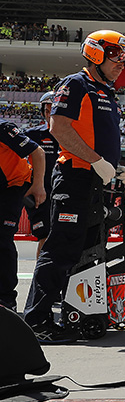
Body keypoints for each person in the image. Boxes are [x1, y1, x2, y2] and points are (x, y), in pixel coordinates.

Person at [23, 30, 125, 343]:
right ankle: (37, 321)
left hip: (95, 182)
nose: (121, 63)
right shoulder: (77, 83)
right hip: (75, 178)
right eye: (116, 56)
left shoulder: (107, 92)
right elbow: (59, 128)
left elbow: (96, 137)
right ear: (96, 54)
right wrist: (97, 161)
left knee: (86, 250)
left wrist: (115, 167)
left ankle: (79, 314)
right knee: (61, 250)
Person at [0, 122, 46, 311]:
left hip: (13, 187)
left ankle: (6, 299)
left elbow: (38, 152)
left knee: (2, 240)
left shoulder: (4, 129)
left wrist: (38, 185)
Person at [22, 91, 60, 258]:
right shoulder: (32, 134)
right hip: (39, 196)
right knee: (45, 236)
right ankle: (41, 279)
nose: (49, 113)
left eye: (54, 109)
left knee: (64, 237)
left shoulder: (73, 136)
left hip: (64, 194)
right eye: (47, 109)